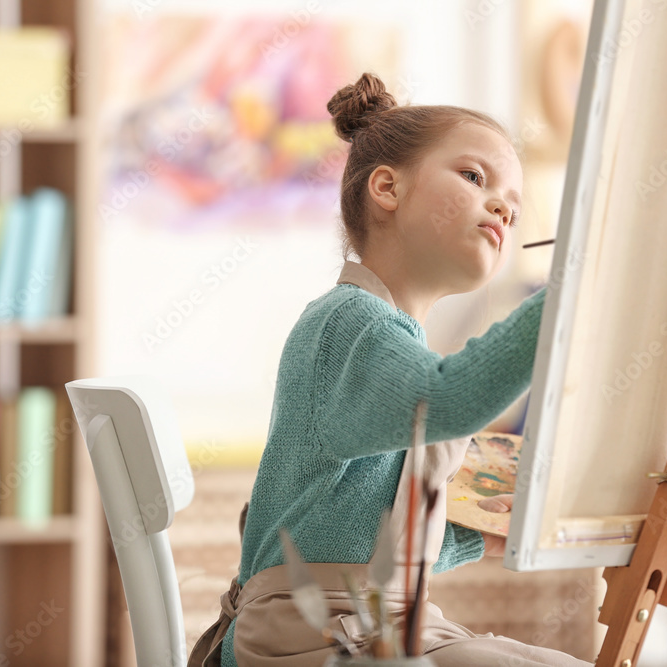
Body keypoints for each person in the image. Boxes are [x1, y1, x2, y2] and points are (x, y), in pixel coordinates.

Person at [188, 71, 591, 667]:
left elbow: (356, 527)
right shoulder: (349, 324)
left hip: (371, 621)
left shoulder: (389, 338)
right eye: (475, 177)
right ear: (386, 188)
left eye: (515, 201)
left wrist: (475, 532)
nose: (504, 205)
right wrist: (576, 280)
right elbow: (449, 397)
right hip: (308, 633)